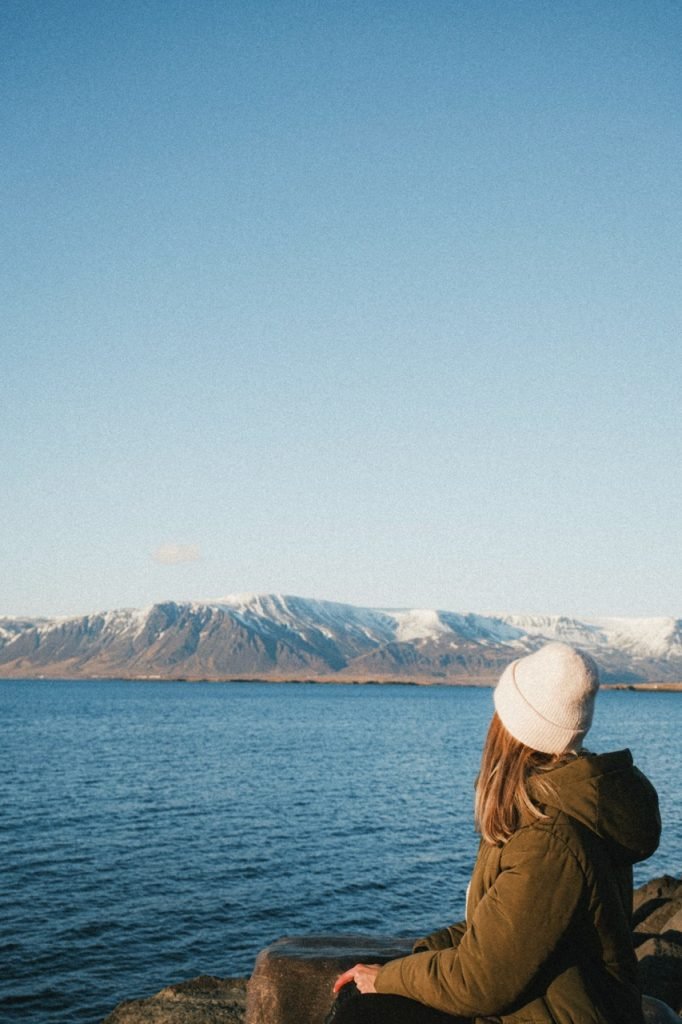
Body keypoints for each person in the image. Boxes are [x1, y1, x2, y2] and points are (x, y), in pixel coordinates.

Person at [331, 642, 661, 1024]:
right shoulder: (563, 803)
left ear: (512, 727)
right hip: (549, 1006)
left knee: (362, 1012)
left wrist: (388, 977)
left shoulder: (548, 840)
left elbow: (481, 983)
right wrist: (418, 956)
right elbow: (496, 927)